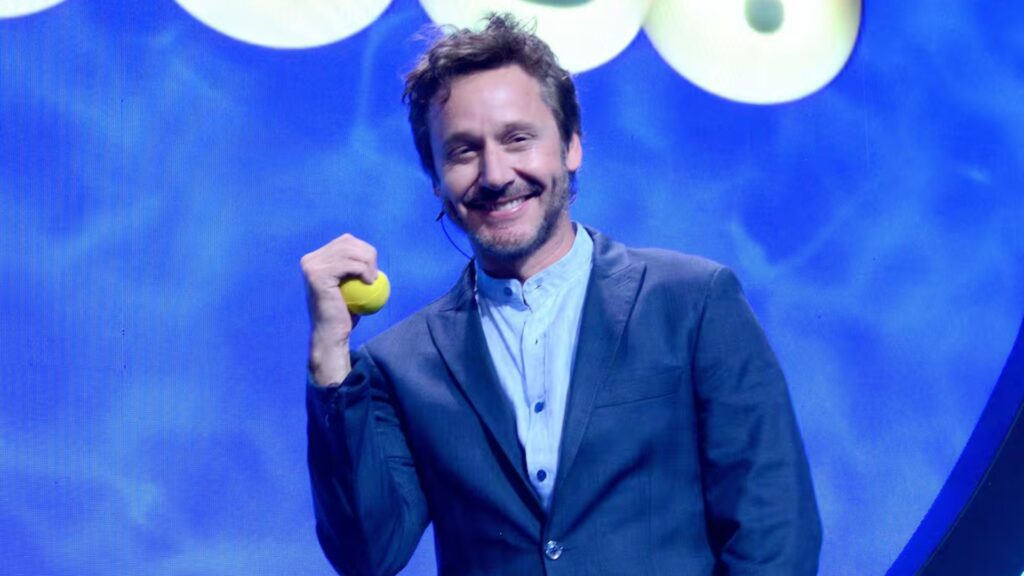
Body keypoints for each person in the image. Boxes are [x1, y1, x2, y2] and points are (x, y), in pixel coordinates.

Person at [301, 14, 821, 576]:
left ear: (571, 146)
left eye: (517, 138)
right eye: (463, 151)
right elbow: (367, 555)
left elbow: (774, 535)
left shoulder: (692, 303)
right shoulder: (400, 364)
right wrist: (329, 355)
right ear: (435, 178)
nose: (495, 174)